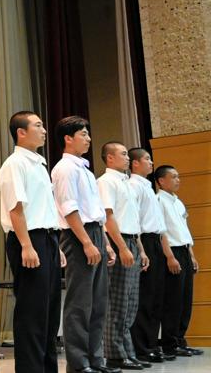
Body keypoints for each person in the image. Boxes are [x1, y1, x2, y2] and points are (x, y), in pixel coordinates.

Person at [0, 111, 65, 373]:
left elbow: (44, 209)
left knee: (49, 310)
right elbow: (16, 209)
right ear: (21, 132)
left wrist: (56, 246)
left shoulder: (38, 163)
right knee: (32, 312)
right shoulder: (15, 164)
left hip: (47, 238)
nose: (44, 130)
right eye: (38, 125)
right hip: (28, 238)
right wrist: (26, 245)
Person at [50, 116, 118, 373]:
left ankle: (95, 359)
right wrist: (88, 244)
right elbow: (69, 209)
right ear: (68, 138)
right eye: (83, 134)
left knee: (98, 302)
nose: (88, 138)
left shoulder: (84, 170)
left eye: (88, 134)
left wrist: (106, 244)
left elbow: (96, 212)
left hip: (93, 234)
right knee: (80, 304)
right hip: (78, 238)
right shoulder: (64, 169)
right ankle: (78, 364)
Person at [97, 142, 149, 370]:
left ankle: (128, 350)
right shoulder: (106, 181)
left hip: (131, 240)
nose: (128, 158)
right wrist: (122, 247)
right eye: (124, 154)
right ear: (109, 158)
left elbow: (132, 218)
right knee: (117, 303)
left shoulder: (126, 182)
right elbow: (107, 217)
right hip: (119, 241)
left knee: (131, 302)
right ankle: (115, 354)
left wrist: (140, 248)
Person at [127, 148, 173, 363]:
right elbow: (134, 219)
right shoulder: (133, 185)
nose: (151, 162)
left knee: (157, 297)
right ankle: (141, 346)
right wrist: (141, 249)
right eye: (146, 158)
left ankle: (153, 343)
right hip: (143, 239)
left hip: (155, 240)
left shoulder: (147, 185)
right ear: (135, 163)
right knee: (145, 296)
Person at [155, 165, 204, 358]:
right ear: (161, 181)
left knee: (185, 299)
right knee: (173, 301)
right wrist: (169, 257)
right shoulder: (159, 200)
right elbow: (162, 231)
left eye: (178, 176)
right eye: (173, 177)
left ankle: (180, 339)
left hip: (183, 249)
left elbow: (184, 229)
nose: (178, 180)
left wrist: (191, 254)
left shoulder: (178, 202)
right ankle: (169, 343)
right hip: (171, 251)